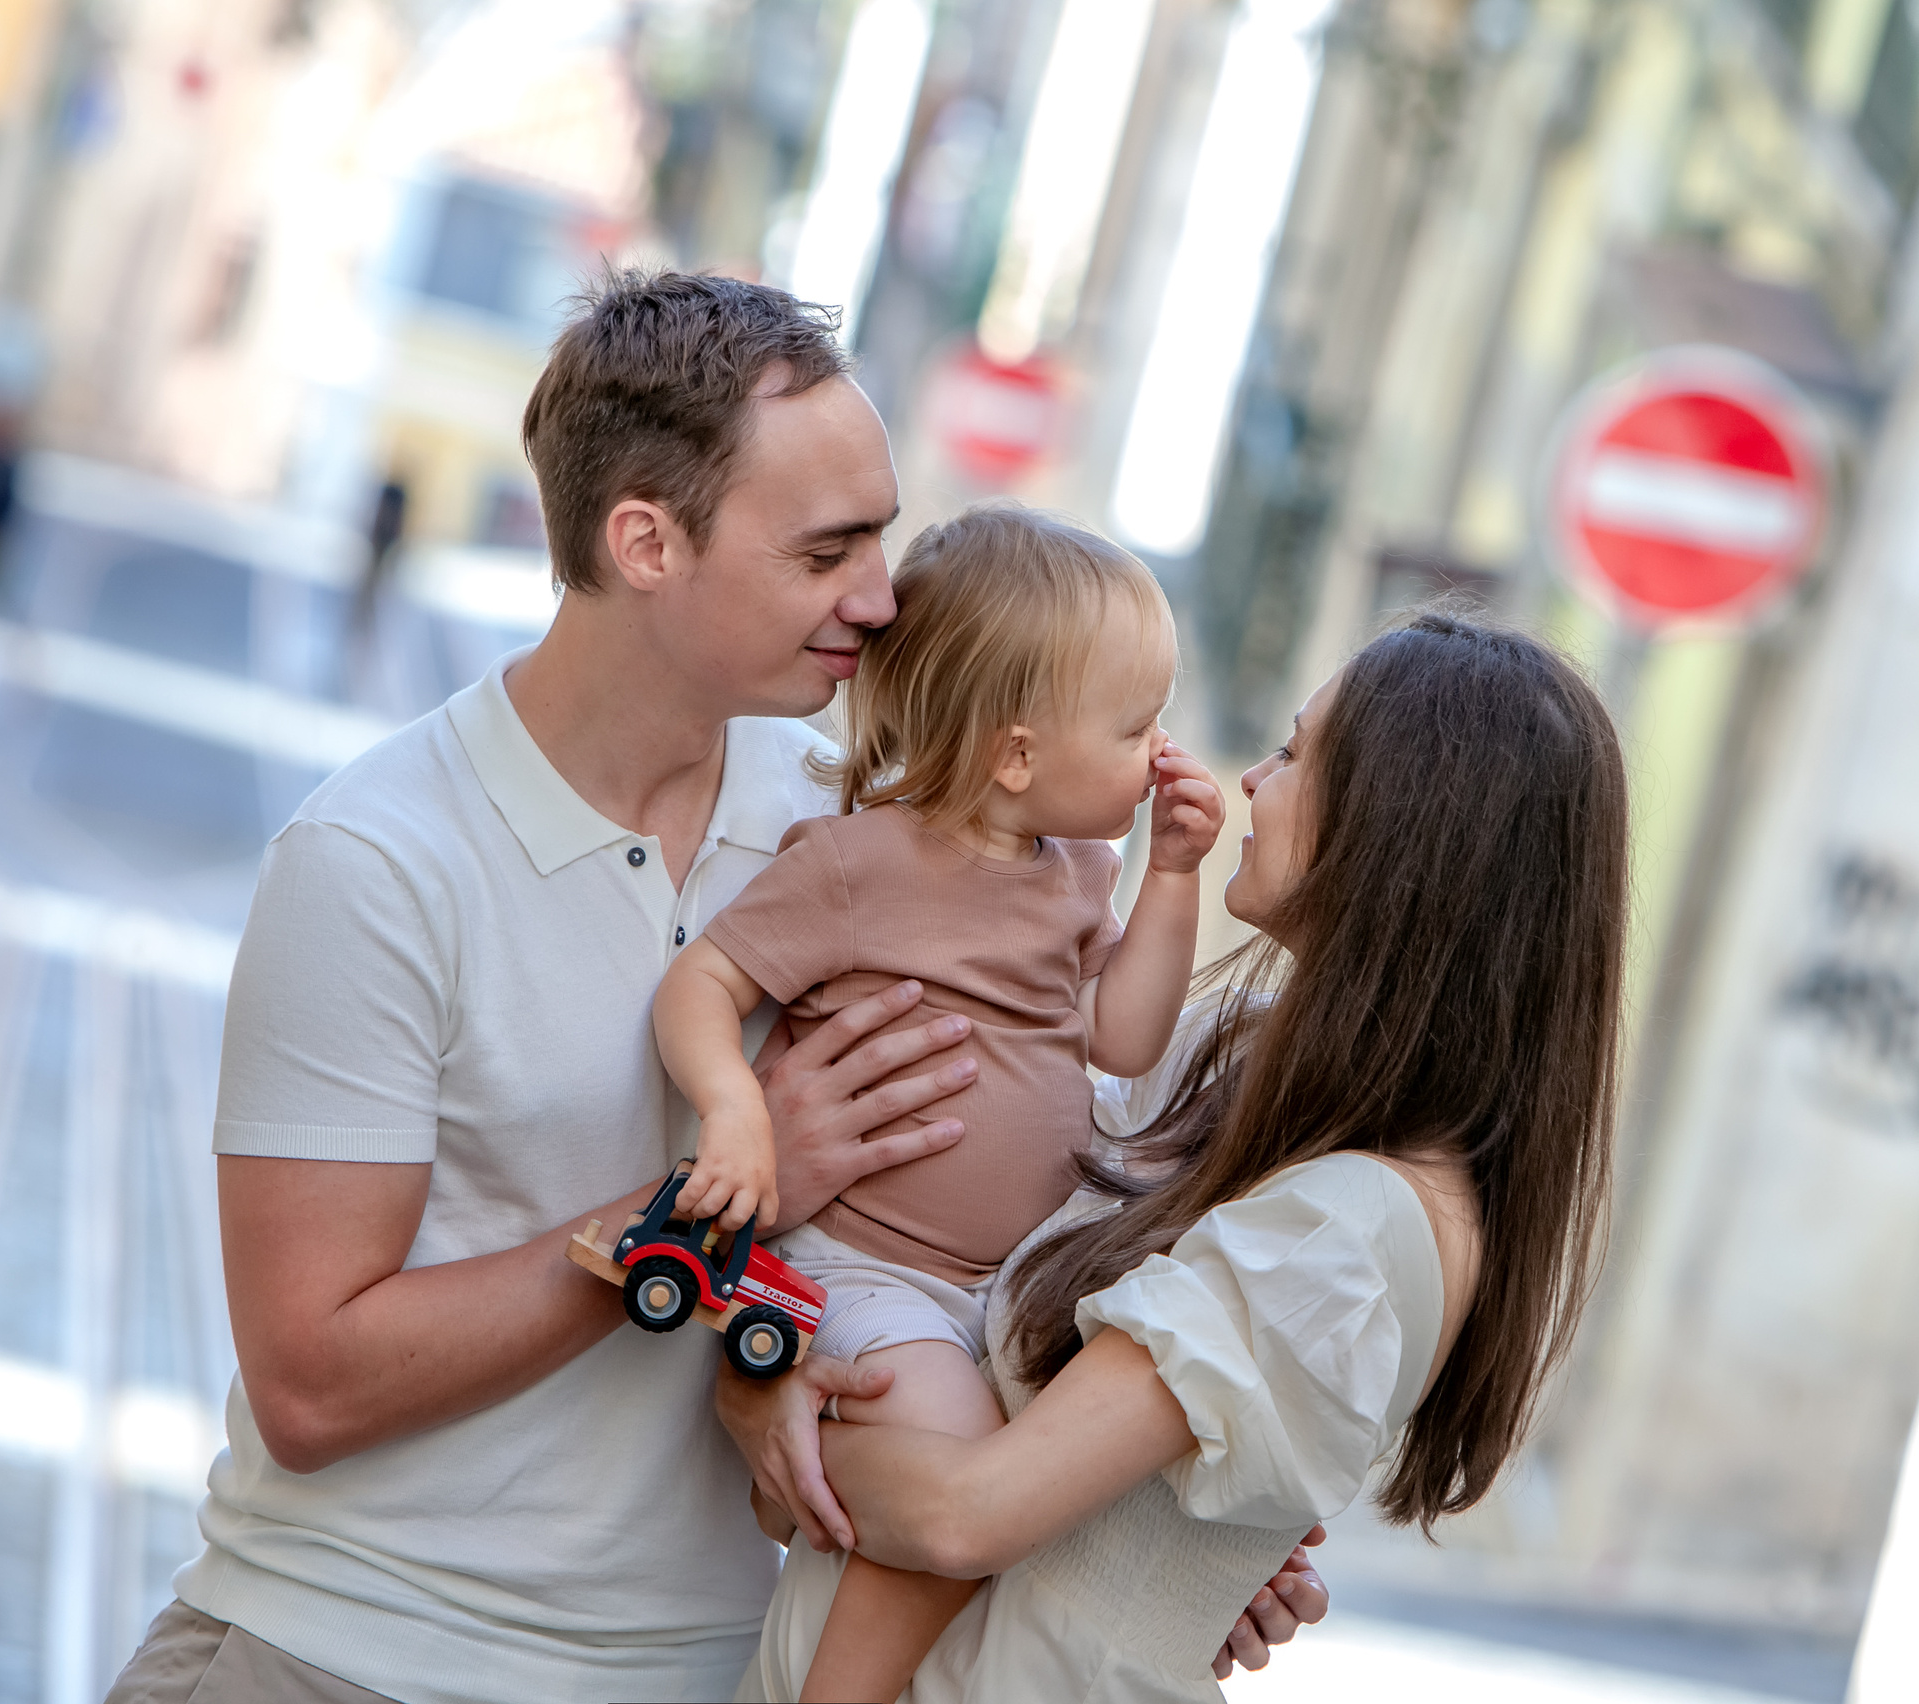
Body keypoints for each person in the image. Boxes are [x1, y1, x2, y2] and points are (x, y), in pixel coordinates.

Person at [103, 269, 1317, 1704]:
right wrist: (708, 1210)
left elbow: (967, 1229)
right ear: (646, 543)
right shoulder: (376, 862)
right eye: (827, 553)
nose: (881, 599)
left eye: (885, 537)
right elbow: (312, 1384)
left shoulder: (871, 822)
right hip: (348, 1658)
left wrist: (1148, 1525)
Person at [722, 609, 1631, 1702]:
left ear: (1405, 829)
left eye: (1297, 755)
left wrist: (758, 1401)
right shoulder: (1231, 1064)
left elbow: (959, 1512)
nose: (1252, 778)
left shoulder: (1346, 1235)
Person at [651, 505, 1223, 1700]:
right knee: (970, 1473)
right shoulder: (860, 865)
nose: (1158, 750)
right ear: (1016, 754)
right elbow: (700, 984)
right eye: (1133, 725)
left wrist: (1171, 879)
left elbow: (1122, 1029)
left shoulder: (1078, 873)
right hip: (867, 1272)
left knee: (1060, 1481)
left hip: (1003, 1285)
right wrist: (736, 1113)